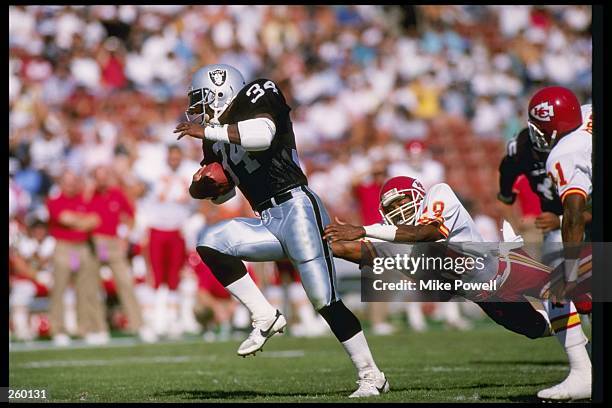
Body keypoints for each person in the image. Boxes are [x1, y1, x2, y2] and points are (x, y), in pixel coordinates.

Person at [174, 63, 389, 397]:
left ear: (220, 91)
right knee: (210, 241)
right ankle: (264, 315)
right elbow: (224, 193)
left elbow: (262, 136)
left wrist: (209, 133)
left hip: (297, 209)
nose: (198, 110)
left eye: (201, 100)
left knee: (323, 299)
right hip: (266, 220)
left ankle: (371, 375)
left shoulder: (257, 93)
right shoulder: (215, 140)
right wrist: (201, 188)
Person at [323, 175, 591, 401]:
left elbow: (428, 233)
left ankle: (584, 370)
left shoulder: (439, 194)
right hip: (483, 296)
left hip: (506, 268)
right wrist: (307, 247)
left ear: (418, 195)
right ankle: (584, 347)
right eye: (392, 207)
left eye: (403, 202)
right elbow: (349, 249)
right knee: (536, 329)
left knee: (575, 294)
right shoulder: (392, 240)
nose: (399, 210)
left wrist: (363, 229)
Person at [527, 86, 593, 400]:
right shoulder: (589, 111)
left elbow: (575, 212)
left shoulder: (565, 151)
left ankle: (583, 374)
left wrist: (570, 266)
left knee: (554, 287)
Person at [88, 165, 157, 343]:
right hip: (94, 242)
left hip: (111, 242)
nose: (102, 180)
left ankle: (138, 325)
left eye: (104, 176)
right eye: (98, 177)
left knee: (125, 282)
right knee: (93, 285)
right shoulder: (89, 195)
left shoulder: (116, 194)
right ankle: (98, 328)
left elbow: (130, 217)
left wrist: (125, 237)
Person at [46, 170, 108, 346]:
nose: (71, 185)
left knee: (86, 289)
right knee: (60, 288)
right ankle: (58, 329)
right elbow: (65, 219)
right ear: (61, 183)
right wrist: (81, 221)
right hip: (64, 247)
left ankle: (86, 328)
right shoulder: (55, 201)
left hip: (83, 247)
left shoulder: (83, 199)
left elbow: (95, 220)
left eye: (74, 181)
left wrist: (77, 221)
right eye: (68, 182)